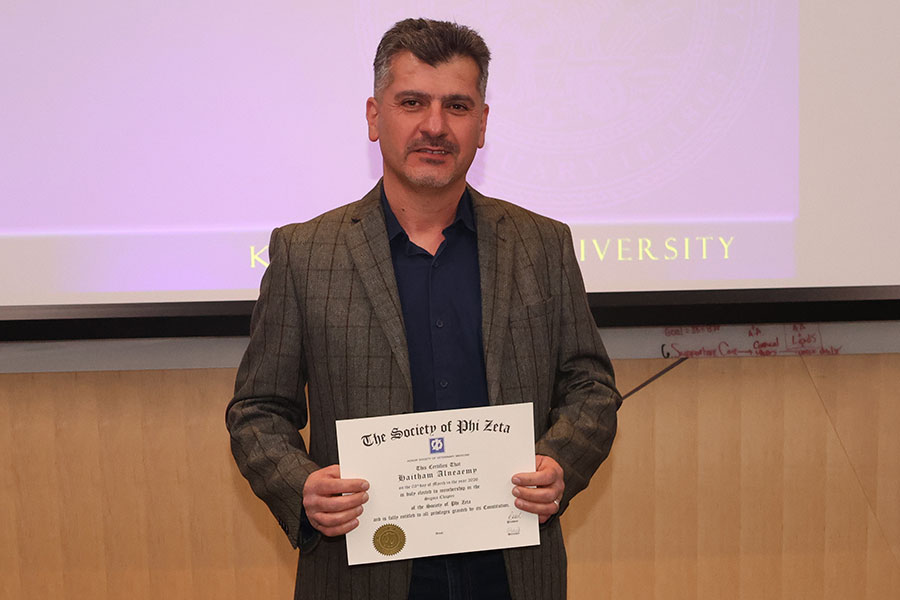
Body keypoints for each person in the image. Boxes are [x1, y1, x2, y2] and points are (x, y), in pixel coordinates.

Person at [226, 17, 621, 600]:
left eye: (457, 106)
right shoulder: (304, 253)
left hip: (512, 573)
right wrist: (302, 488)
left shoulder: (543, 244)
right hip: (363, 574)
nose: (434, 126)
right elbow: (257, 410)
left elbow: (591, 387)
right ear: (374, 115)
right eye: (412, 102)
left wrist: (560, 463)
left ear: (482, 124)